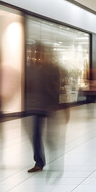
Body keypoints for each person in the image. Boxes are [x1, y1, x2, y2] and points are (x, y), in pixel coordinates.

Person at [25, 43, 66, 173]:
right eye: (33, 52)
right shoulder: (30, 69)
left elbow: (57, 87)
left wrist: (62, 106)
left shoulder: (52, 69)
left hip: (49, 106)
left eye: (37, 52)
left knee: (50, 138)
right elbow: (27, 86)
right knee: (36, 135)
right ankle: (39, 162)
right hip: (36, 106)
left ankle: (55, 160)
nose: (35, 55)